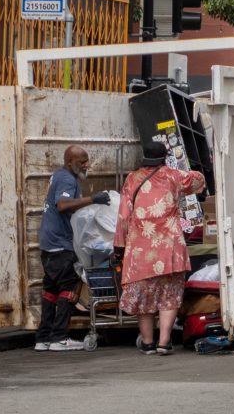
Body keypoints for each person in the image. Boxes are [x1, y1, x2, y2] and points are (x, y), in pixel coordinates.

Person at [112, 141, 206, 355]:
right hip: (169, 248)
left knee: (144, 296)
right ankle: (164, 342)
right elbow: (198, 179)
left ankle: (147, 342)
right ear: (164, 157)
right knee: (169, 295)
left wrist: (118, 246)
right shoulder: (173, 176)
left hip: (140, 250)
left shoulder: (131, 179)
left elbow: (123, 217)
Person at [35, 145, 111, 352]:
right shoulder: (67, 179)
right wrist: (93, 199)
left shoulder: (59, 175)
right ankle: (59, 337)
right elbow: (63, 205)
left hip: (49, 244)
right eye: (82, 162)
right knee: (69, 289)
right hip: (61, 244)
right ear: (70, 162)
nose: (86, 165)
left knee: (51, 290)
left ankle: (43, 338)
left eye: (87, 161)